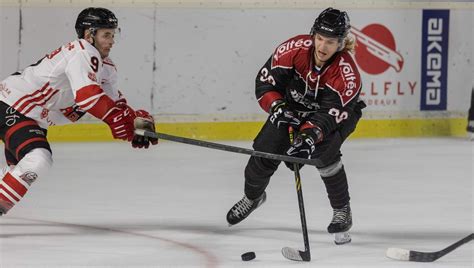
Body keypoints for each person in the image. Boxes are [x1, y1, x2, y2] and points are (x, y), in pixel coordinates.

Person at [226, 7, 366, 244]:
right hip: (290, 107)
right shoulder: (293, 50)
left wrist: (309, 137)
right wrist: (276, 106)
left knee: (324, 154)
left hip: (334, 116)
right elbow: (265, 83)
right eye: (320, 38)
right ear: (313, 35)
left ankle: (342, 210)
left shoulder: (346, 74)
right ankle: (253, 197)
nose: (323, 47)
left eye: (330, 42)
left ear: (341, 43)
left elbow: (330, 115)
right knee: (263, 152)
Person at [0, 7, 158, 215]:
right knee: (38, 158)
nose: (111, 41)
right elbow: (88, 96)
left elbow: (116, 105)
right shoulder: (82, 50)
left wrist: (138, 125)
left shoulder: (105, 67)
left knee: (20, 170)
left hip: (29, 116)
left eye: (113, 34)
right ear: (88, 35)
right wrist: (115, 119)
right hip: (12, 105)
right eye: (106, 34)